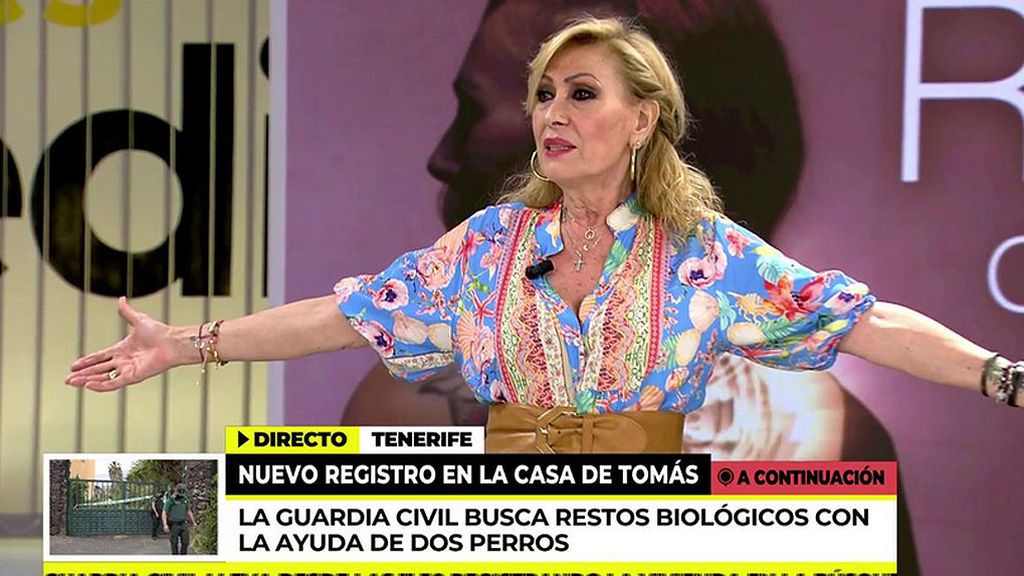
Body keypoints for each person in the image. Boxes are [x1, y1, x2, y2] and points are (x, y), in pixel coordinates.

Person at [66, 11, 1020, 472]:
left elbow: (865, 322)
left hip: (655, 536)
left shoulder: (708, 253)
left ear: (643, 119)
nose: (551, 113)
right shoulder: (486, 246)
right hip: (510, 529)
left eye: (582, 93)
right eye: (542, 95)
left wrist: (1002, 377)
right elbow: (344, 316)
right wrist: (183, 345)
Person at [162, 483, 196, 555]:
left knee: (185, 542)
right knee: (174, 543)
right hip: (174, 525)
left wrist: (193, 522)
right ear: (176, 491)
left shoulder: (185, 499)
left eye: (182, 492)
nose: (181, 494)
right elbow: (164, 513)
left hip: (183, 524)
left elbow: (188, 511)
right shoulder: (170, 500)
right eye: (179, 492)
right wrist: (165, 525)